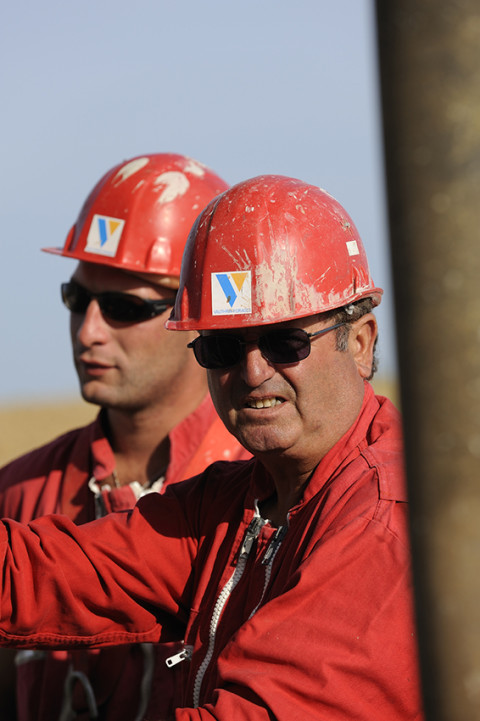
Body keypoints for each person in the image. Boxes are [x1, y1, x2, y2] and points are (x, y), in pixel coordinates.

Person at [0, 174, 424, 720]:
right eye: (222, 346)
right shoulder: (241, 502)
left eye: (284, 341)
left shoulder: (387, 519)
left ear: (360, 343)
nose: (251, 372)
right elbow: (46, 575)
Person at [0, 153, 250, 721]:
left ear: (199, 314)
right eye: (77, 299)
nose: (89, 330)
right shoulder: (18, 493)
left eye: (122, 308)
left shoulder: (269, 495)